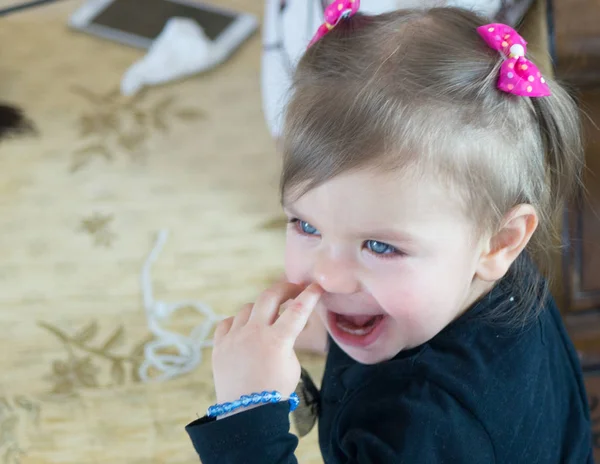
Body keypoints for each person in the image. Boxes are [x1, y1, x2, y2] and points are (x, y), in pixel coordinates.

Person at [186, 4, 594, 463]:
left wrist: (248, 420)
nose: (329, 276)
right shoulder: (484, 271)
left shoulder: (420, 425)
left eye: (380, 246)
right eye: (306, 225)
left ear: (501, 240)